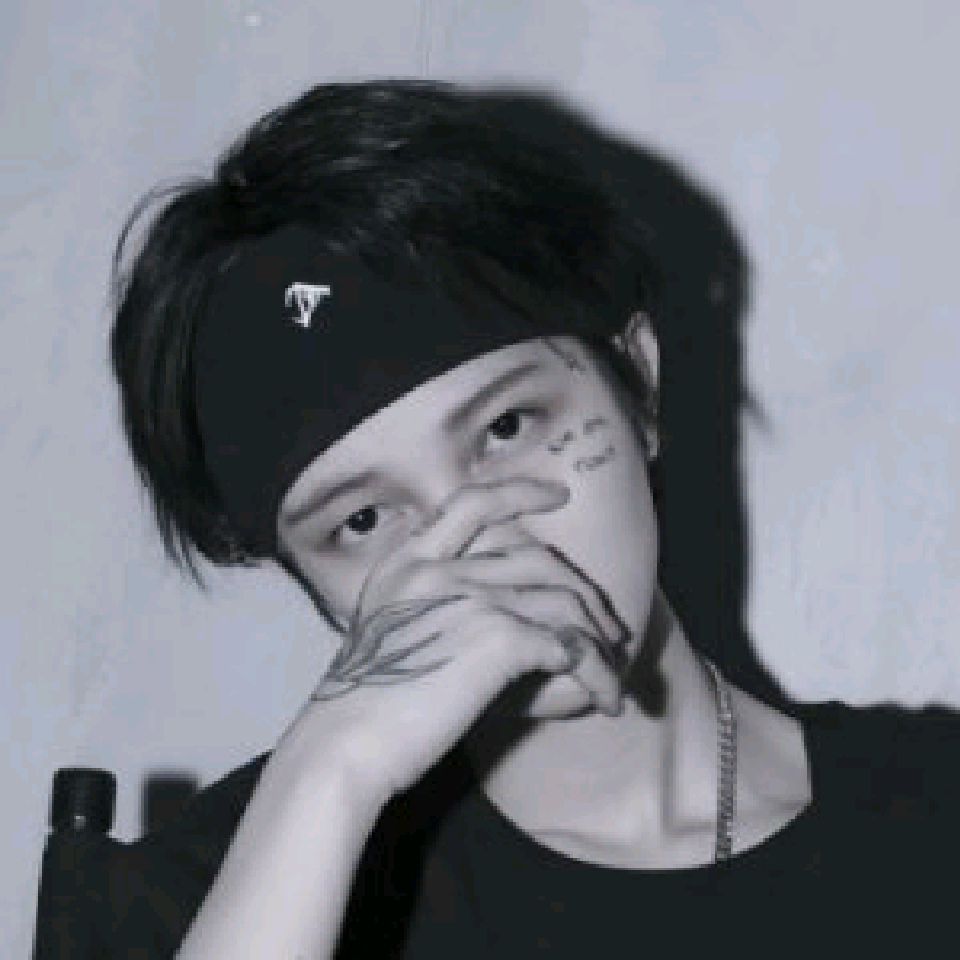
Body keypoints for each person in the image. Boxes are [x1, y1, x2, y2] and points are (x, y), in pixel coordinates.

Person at [33, 79, 960, 958]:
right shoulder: (220, 895)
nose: (471, 537)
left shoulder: (930, 817)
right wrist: (326, 780)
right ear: (301, 575)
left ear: (638, 383)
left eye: (507, 427)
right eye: (363, 518)